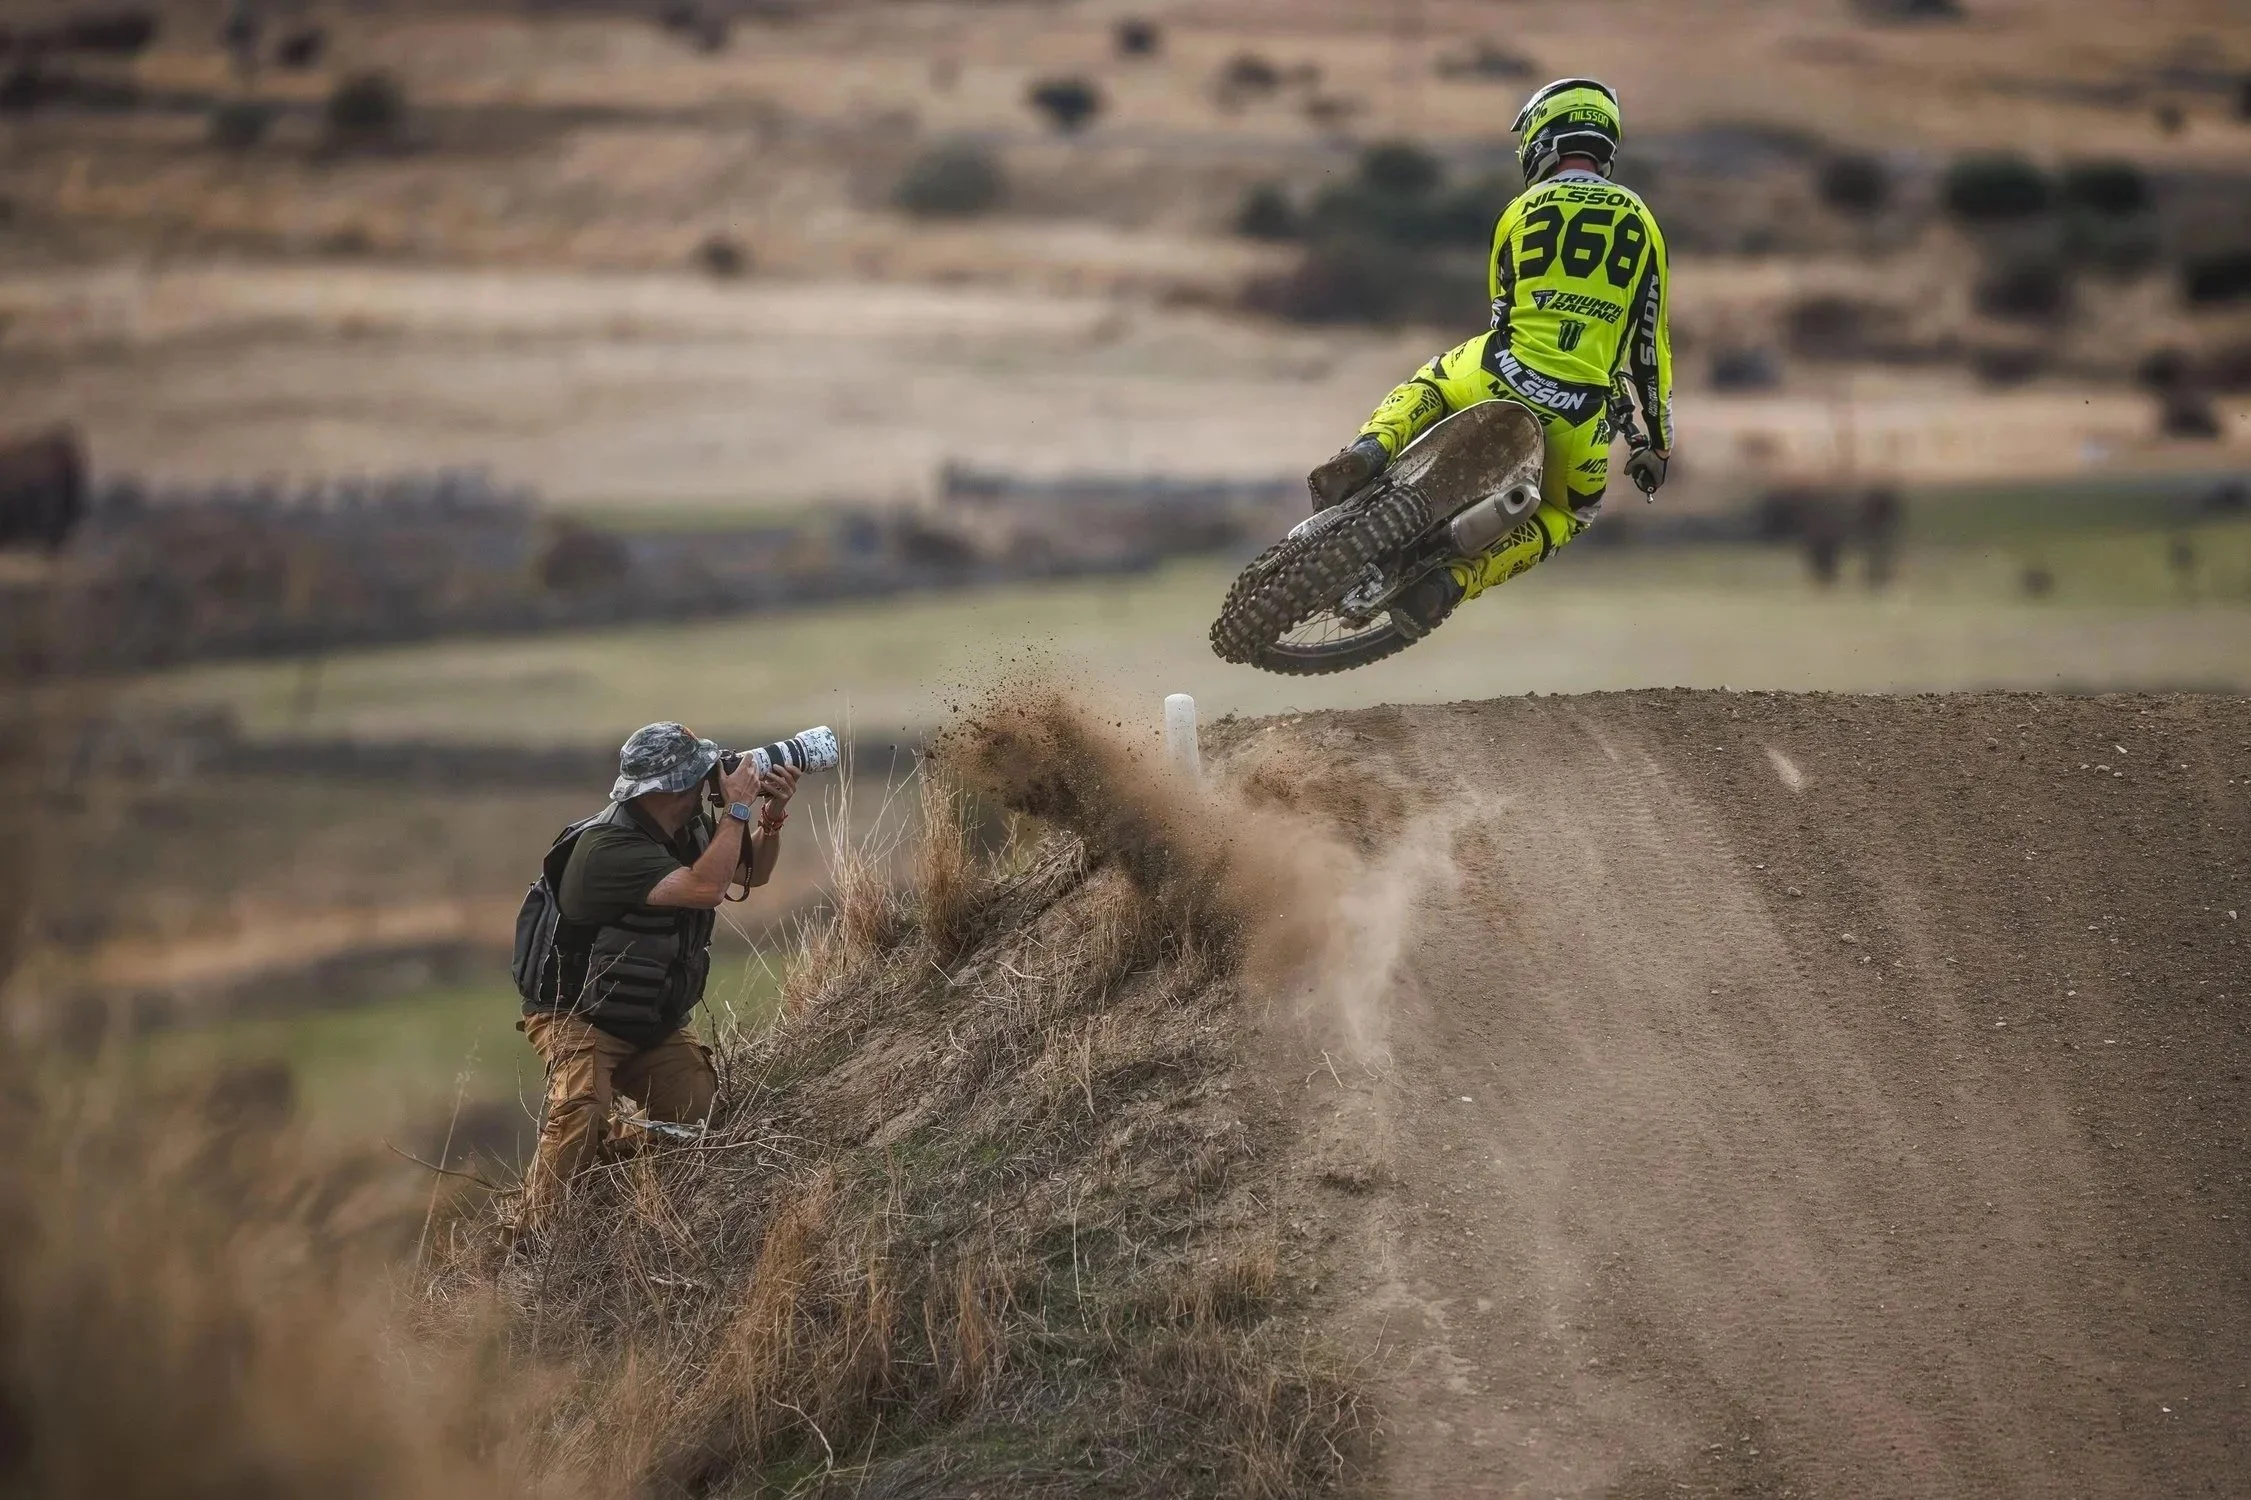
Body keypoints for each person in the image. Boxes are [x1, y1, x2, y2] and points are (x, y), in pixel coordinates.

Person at [1305, 78, 1675, 630]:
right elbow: (1649, 345)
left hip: (1500, 372)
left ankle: (1367, 453)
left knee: (1432, 384)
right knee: (1570, 512)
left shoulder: (1519, 210)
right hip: (1579, 415)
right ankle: (1454, 582)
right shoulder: (1644, 224)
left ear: (1544, 138)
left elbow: (1502, 308)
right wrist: (1658, 444)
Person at [515, 721, 799, 1237]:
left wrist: (770, 816)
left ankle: (600, 1167)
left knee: (698, 1117)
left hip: (648, 1017)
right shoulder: (608, 849)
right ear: (671, 786)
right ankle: (533, 1241)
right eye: (699, 774)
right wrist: (736, 809)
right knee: (581, 1109)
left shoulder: (689, 829)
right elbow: (707, 889)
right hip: (576, 1014)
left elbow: (749, 874)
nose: (710, 780)